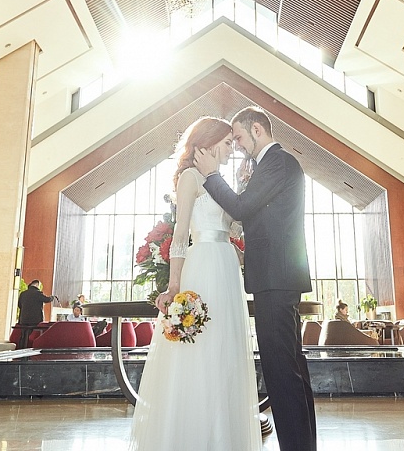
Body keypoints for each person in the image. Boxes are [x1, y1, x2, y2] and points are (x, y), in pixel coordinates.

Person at [130, 117, 261, 451]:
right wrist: (174, 286)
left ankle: (224, 437)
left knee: (226, 349)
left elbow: (232, 229)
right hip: (202, 264)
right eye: (229, 142)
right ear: (211, 141)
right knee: (200, 348)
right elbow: (180, 235)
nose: (233, 149)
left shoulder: (221, 180)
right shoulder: (190, 177)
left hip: (227, 266)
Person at [194, 105, 317, 451]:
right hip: (276, 276)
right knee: (290, 370)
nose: (238, 145)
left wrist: (211, 176)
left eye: (239, 137)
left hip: (276, 279)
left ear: (258, 130)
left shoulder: (278, 162)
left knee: (282, 373)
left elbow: (243, 208)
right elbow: (261, 215)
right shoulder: (272, 165)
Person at [16, 279, 59, 349]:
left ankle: (20, 351)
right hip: (35, 320)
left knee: (23, 336)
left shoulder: (23, 294)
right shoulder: (38, 293)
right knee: (34, 336)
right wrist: (52, 297)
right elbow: (47, 299)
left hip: (23, 320)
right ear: (37, 285)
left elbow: (19, 305)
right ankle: (31, 351)